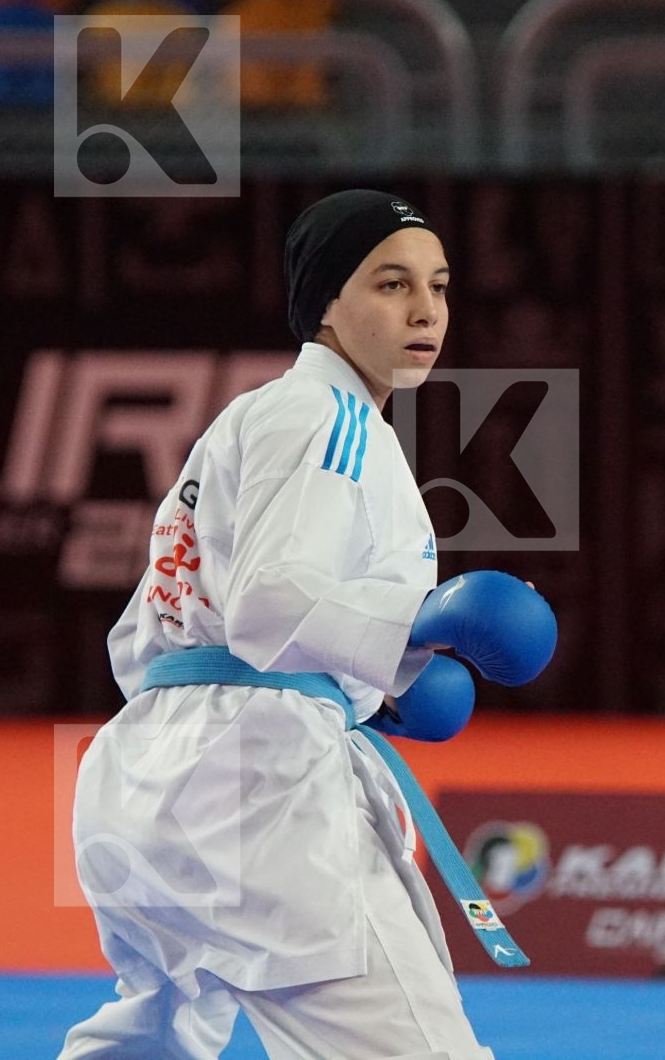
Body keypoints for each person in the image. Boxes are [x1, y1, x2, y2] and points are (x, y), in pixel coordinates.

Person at [58, 191, 557, 1060]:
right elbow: (269, 605)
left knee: (153, 1039)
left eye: (438, 286)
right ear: (325, 301)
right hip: (254, 788)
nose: (425, 309)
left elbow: (204, 619)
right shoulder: (328, 416)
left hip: (144, 778)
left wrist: (379, 688)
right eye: (391, 283)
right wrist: (426, 617)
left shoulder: (256, 419)